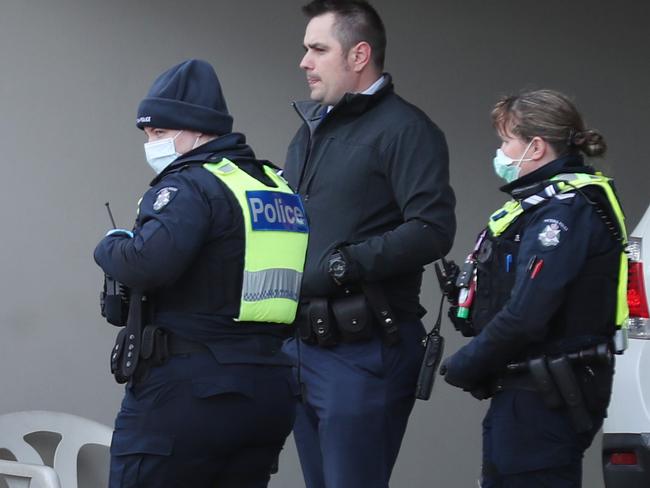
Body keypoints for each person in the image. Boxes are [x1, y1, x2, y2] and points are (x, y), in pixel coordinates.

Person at [94, 59, 309, 488]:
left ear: (197, 130)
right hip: (269, 388)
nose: (152, 143)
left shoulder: (191, 185)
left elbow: (147, 262)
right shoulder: (273, 185)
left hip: (189, 392)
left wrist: (110, 245)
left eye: (159, 132)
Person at [281, 1, 456, 487]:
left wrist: (345, 263)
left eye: (318, 49)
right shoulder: (310, 129)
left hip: (363, 349)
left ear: (359, 55)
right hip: (300, 345)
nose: (305, 62)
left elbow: (433, 228)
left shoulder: (407, 130)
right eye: (305, 49)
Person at [441, 89, 629, 487]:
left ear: (537, 146)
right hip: (534, 388)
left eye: (507, 141)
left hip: (546, 393)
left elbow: (528, 314)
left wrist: (465, 364)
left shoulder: (562, 211)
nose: (501, 151)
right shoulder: (553, 203)